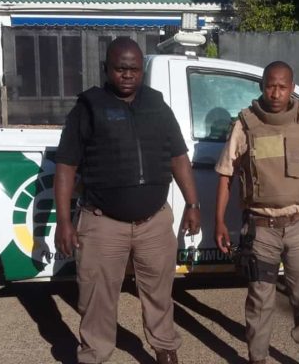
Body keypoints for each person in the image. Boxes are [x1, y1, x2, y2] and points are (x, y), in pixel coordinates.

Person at [54, 37, 200, 364]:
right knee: (97, 299)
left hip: (154, 222)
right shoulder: (87, 108)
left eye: (134, 69)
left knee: (159, 294)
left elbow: (178, 157)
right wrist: (64, 221)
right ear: (107, 69)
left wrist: (193, 203)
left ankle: (165, 348)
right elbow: (66, 166)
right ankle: (94, 354)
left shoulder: (157, 106)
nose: (128, 75)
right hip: (102, 223)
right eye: (120, 69)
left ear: (142, 71)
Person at [214, 61, 299, 364]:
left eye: (282, 86)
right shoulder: (245, 125)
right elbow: (226, 175)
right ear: (261, 86)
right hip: (261, 230)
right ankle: (257, 357)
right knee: (260, 300)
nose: (276, 92)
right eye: (270, 85)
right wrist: (218, 221)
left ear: (292, 88)